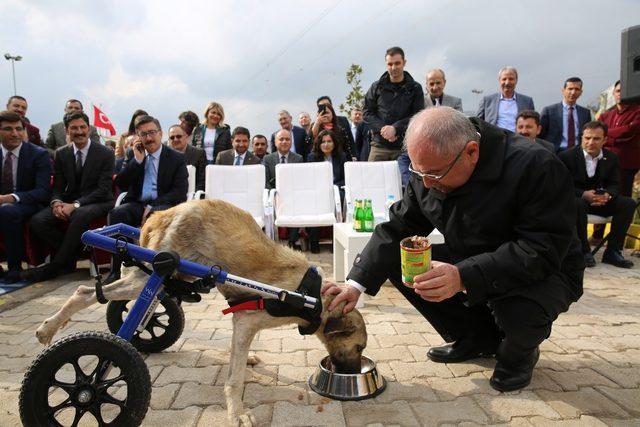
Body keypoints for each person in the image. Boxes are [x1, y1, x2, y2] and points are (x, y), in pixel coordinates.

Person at [323, 107, 584, 393]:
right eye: (417, 171)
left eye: (434, 174)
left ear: (471, 152)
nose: (425, 184)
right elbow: (398, 227)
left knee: (520, 312)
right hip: (470, 257)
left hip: (543, 270)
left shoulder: (536, 166)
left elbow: (541, 249)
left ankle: (518, 353)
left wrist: (462, 277)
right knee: (404, 261)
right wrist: (354, 285)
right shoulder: (430, 167)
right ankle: (476, 338)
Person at [22, 111, 115, 282]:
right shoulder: (61, 153)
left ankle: (56, 266)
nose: (79, 132)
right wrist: (57, 202)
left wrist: (76, 204)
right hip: (70, 202)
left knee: (78, 214)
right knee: (37, 221)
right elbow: (57, 186)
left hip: (99, 201)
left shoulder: (105, 153)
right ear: (67, 130)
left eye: (82, 127)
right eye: (74, 128)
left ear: (89, 128)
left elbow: (103, 189)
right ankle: (75, 253)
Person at [105, 115, 188, 283]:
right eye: (144, 134)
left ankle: (154, 271)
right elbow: (120, 183)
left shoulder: (176, 158)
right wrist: (137, 161)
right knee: (116, 214)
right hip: (137, 203)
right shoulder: (134, 154)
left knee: (156, 216)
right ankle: (118, 270)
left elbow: (180, 192)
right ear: (138, 137)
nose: (149, 138)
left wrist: (152, 205)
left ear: (160, 133)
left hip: (163, 204)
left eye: (152, 132)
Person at [558, 121, 636, 269]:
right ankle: (583, 251)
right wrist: (583, 194)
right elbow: (562, 185)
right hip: (578, 202)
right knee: (577, 203)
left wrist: (608, 195)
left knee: (628, 203)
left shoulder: (611, 158)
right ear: (582, 137)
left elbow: (615, 184)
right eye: (587, 138)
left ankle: (613, 251)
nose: (590, 142)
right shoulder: (566, 157)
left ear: (604, 140)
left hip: (602, 201)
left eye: (596, 138)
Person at [0, 111, 51, 283]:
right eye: (8, 129)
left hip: (29, 203)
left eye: (18, 129)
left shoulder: (38, 154)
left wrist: (9, 198)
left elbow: (43, 191)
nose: (15, 133)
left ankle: (14, 268)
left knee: (7, 211)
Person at [363, 46, 424, 161]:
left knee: (406, 179)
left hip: (405, 147)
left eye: (397, 63)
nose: (394, 67)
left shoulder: (415, 88)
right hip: (379, 146)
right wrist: (384, 129)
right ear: (386, 64)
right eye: (390, 64)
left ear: (404, 63)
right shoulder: (376, 87)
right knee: (372, 178)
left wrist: (396, 128)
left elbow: (418, 116)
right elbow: (366, 112)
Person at [307, 129, 347, 253]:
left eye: (329, 141)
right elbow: (310, 178)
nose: (326, 144)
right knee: (315, 204)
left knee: (339, 199)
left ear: (334, 143)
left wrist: (333, 187)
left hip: (336, 190)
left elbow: (345, 179)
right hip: (318, 191)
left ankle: (336, 243)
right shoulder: (312, 157)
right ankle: (314, 242)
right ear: (318, 144)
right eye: (323, 142)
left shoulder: (341, 156)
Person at [263, 129, 303, 249]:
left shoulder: (298, 158)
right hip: (273, 194)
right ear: (275, 142)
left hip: (293, 195)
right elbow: (265, 181)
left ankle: (293, 240)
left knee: (296, 204)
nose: (284, 142)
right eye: (281, 139)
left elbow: (300, 180)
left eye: (287, 139)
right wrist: (274, 194)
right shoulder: (268, 159)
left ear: (291, 142)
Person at [599, 80, 640, 198]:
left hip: (626, 163)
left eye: (623, 91)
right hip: (604, 163)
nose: (620, 94)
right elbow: (597, 134)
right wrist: (618, 135)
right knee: (603, 197)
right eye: (617, 91)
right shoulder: (605, 115)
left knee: (622, 198)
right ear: (613, 93)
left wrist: (606, 135)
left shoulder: (637, 111)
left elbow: (629, 131)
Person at [539, 77, 592, 152]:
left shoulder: (585, 113)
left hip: (578, 153)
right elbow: (540, 134)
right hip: (555, 153)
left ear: (581, 92)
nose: (573, 92)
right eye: (570, 89)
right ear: (563, 90)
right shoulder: (549, 111)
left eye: (577, 89)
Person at [477, 67, 535, 132]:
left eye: (511, 79)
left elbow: (533, 123)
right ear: (499, 80)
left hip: (519, 139)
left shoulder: (527, 101)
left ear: (516, 80)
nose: (507, 82)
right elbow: (477, 123)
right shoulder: (487, 101)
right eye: (504, 79)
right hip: (494, 139)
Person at [167, 124, 207, 191]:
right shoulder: (165, 155)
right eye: (172, 137)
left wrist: (193, 196)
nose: (175, 139)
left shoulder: (199, 154)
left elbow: (202, 181)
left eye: (178, 136)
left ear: (185, 136)